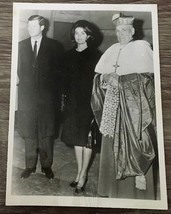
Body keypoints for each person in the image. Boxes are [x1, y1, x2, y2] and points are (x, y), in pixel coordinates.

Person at [91, 13, 158, 199]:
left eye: (124, 30)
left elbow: (148, 79)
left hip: (134, 111)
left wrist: (120, 81)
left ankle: (134, 194)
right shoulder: (112, 49)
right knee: (111, 143)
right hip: (112, 106)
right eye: (117, 31)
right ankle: (112, 190)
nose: (120, 34)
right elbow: (99, 76)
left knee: (136, 144)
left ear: (133, 31)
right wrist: (104, 78)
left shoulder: (141, 48)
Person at [17, 15, 63, 179]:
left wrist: (55, 97)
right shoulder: (20, 46)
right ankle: (29, 166)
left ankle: (46, 166)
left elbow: (59, 74)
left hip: (47, 99)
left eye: (34, 27)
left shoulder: (54, 47)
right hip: (27, 98)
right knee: (29, 132)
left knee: (45, 133)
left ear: (42, 27)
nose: (30, 30)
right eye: (28, 26)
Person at [61, 20, 101, 194]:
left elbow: (99, 82)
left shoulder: (95, 55)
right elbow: (64, 80)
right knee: (77, 139)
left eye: (82, 33)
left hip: (88, 102)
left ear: (89, 35)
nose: (79, 36)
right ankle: (79, 172)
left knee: (87, 140)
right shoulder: (68, 55)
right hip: (73, 102)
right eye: (76, 33)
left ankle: (83, 175)